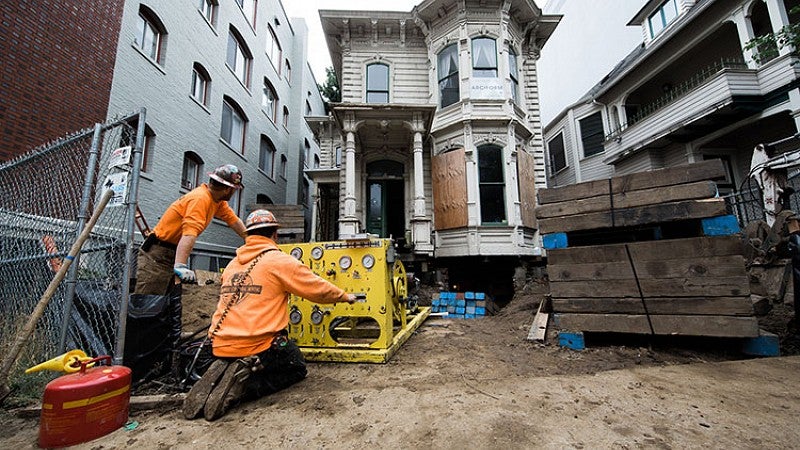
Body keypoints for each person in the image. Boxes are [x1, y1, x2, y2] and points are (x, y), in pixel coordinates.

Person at [183, 209, 356, 421]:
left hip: (219, 345)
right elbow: (317, 289)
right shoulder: (279, 261)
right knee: (296, 366)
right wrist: (345, 296)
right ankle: (242, 386)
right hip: (257, 345)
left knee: (240, 353)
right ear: (275, 235)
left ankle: (222, 370)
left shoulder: (231, 265)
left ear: (249, 235)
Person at [126, 164, 247, 383]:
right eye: (235, 189)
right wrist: (181, 265)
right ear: (229, 188)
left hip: (169, 252)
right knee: (147, 306)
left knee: (163, 308)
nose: (235, 193)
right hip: (157, 254)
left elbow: (233, 221)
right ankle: (134, 369)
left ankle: (156, 361)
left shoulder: (216, 201)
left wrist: (253, 239)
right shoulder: (200, 199)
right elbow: (189, 234)